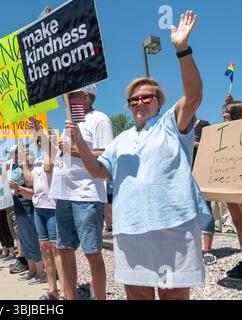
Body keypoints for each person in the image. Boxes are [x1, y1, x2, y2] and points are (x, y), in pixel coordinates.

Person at [66, 11, 212, 300]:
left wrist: (182, 48)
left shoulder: (172, 123)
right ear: (128, 106)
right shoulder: (121, 140)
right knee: (138, 295)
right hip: (130, 228)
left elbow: (194, 96)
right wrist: (80, 143)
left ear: (159, 101)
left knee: (173, 295)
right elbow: (98, 171)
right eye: (134, 99)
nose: (140, 102)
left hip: (173, 225)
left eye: (147, 96)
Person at [32, 83, 114, 300]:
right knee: (65, 249)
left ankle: (100, 297)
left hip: (86, 195)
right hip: (64, 196)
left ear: (86, 97)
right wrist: (37, 131)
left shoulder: (99, 119)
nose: (64, 99)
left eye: (71, 95)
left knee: (92, 252)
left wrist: (74, 149)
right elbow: (57, 153)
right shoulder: (71, 123)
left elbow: (106, 153)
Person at [0, 145, 45, 282]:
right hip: (16, 207)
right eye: (14, 154)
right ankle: (32, 270)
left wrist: (19, 187)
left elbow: (32, 185)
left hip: (27, 207)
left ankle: (41, 272)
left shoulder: (29, 166)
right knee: (23, 240)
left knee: (31, 240)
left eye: (18, 154)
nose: (15, 156)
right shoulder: (10, 167)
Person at [21, 131, 65, 300]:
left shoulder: (56, 156)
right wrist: (24, 163)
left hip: (53, 207)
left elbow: (48, 167)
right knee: (44, 248)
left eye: (43, 139)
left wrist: (40, 132)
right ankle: (52, 289)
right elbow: (29, 180)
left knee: (56, 249)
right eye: (38, 140)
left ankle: (64, 291)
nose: (39, 142)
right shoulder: (37, 159)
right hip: (39, 207)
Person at [220, 96, 242, 281]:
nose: (223, 115)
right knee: (238, 222)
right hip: (229, 182)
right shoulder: (222, 135)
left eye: (227, 113)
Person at [192, 118, 217, 265]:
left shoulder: (204, 125)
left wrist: (193, 143)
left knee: (205, 208)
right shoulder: (179, 128)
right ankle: (192, 249)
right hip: (185, 173)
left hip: (202, 173)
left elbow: (211, 147)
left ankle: (207, 250)